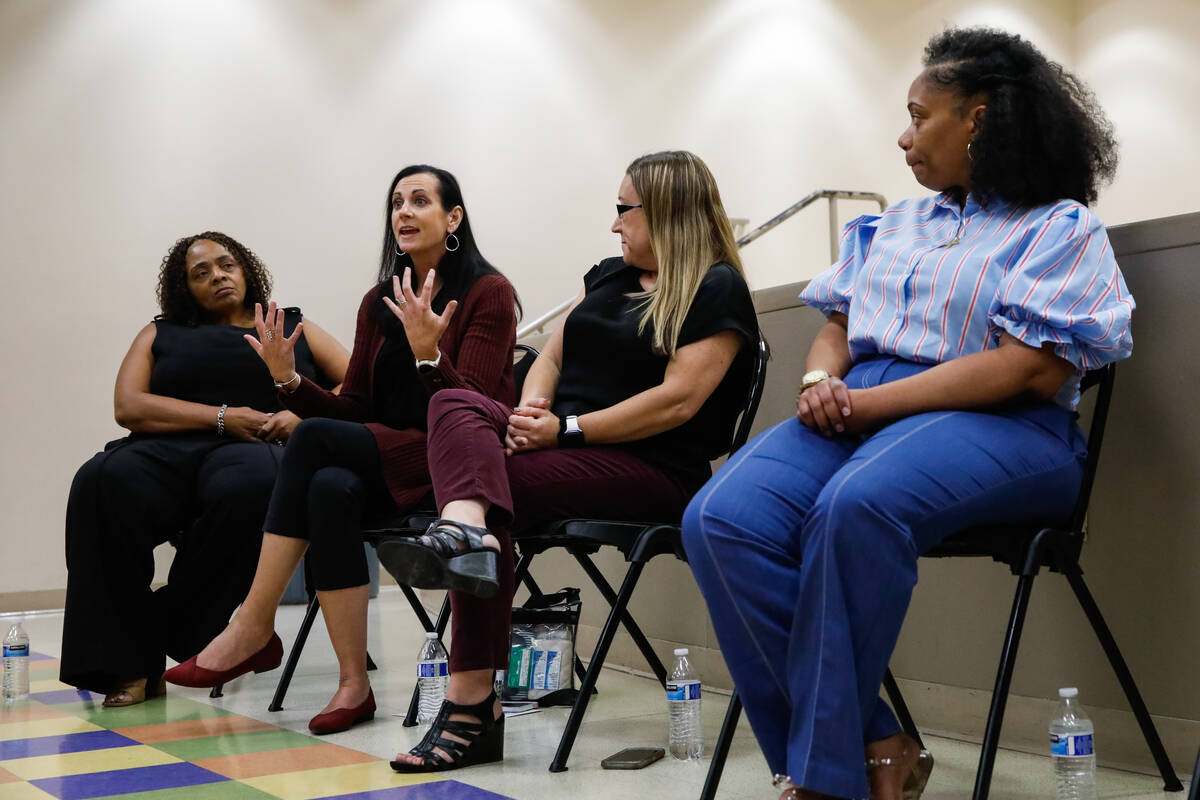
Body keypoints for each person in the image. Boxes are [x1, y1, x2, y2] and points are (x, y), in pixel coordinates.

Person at [683, 27, 1133, 800]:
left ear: (980, 120)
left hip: (1007, 423)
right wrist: (821, 380)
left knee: (855, 505)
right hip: (866, 406)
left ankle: (824, 783)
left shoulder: (1058, 227)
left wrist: (862, 403)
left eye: (919, 115)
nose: (903, 136)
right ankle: (876, 743)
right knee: (720, 520)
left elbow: (1029, 365)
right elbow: (837, 324)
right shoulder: (894, 225)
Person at [379, 150, 759, 772]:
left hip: (653, 468)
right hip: (560, 442)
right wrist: (531, 415)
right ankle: (466, 525)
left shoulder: (716, 289)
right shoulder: (608, 276)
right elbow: (549, 360)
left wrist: (567, 431)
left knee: (500, 485)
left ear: (665, 211)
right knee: (452, 402)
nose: (615, 225)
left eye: (623, 209)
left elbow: (678, 401)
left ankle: (471, 703)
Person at [163, 166, 520, 737]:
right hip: (386, 457)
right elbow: (353, 408)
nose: (403, 212)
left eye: (420, 201)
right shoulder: (378, 300)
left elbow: (471, 410)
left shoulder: (487, 292)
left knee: (308, 438)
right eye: (397, 202)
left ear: (453, 218)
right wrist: (288, 382)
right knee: (329, 487)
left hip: (455, 470)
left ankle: (253, 624)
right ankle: (354, 683)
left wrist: (430, 355)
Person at [61, 232, 349, 707]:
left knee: (255, 486)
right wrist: (220, 416)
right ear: (185, 288)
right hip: (167, 448)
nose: (217, 275)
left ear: (245, 271)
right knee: (99, 481)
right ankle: (126, 666)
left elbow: (356, 384)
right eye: (201, 273)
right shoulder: (161, 332)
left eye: (226, 265)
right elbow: (128, 404)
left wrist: (304, 416)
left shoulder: (289, 325)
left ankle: (167, 631)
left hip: (259, 444)